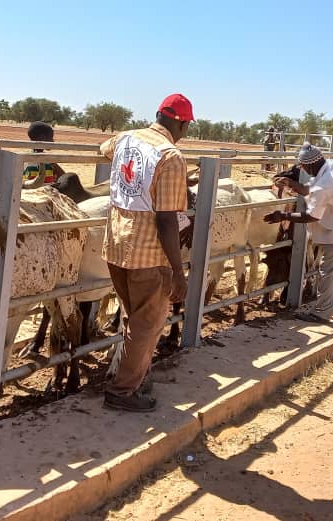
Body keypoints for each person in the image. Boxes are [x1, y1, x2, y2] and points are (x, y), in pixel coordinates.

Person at [98, 93, 192, 412]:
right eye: (186, 127)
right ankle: (123, 392)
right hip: (148, 255)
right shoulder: (171, 156)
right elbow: (167, 219)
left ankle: (135, 376)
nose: (185, 133)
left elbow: (103, 149)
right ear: (180, 123)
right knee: (147, 324)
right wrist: (178, 272)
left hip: (116, 246)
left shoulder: (125, 138)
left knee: (132, 317)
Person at [264, 143, 333, 323]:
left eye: (302, 166)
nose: (301, 169)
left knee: (328, 271)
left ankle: (321, 312)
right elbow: (308, 189)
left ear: (310, 165)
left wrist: (283, 215)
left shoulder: (325, 186)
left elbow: (311, 216)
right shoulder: (331, 167)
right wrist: (291, 183)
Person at [22, 121, 67, 189]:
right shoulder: (46, 160)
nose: (53, 141)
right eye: (51, 137)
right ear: (42, 138)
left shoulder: (25, 158)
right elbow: (64, 178)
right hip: (44, 194)